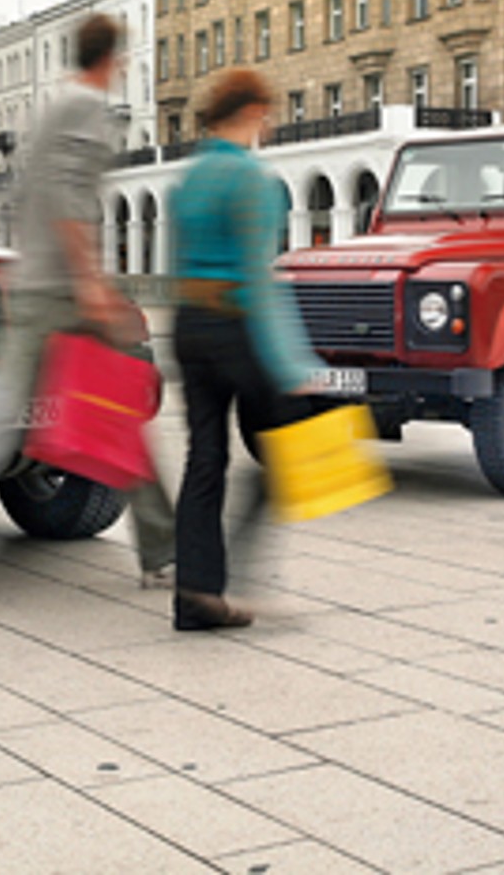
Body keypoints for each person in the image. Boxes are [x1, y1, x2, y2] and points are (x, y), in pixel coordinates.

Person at [0, 13, 175, 607]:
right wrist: (95, 289)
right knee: (121, 411)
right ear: (112, 59)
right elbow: (70, 203)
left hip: (30, 285)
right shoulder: (85, 109)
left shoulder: (51, 111)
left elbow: (32, 197)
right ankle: (163, 556)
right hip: (65, 294)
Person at [167, 68, 328, 633]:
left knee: (205, 459)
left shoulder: (188, 179)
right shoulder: (251, 180)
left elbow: (178, 263)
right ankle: (241, 577)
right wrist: (295, 367)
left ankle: (196, 594)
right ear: (253, 112)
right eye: (267, 112)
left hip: (190, 325)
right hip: (236, 325)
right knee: (290, 447)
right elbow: (259, 281)